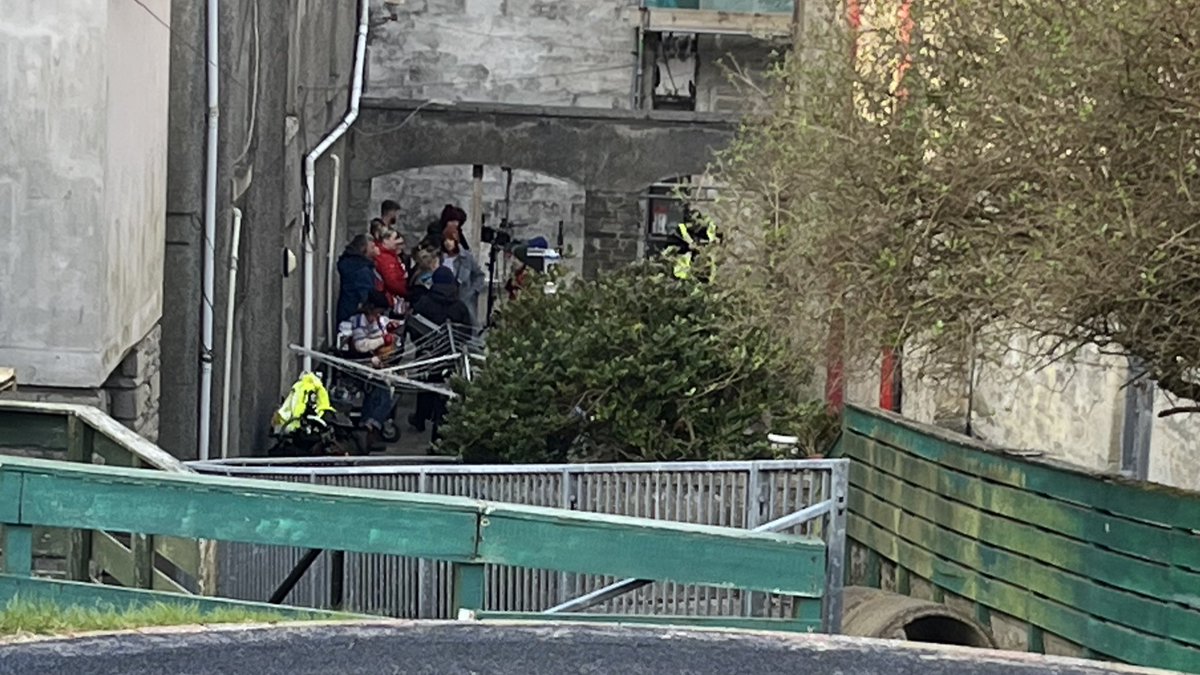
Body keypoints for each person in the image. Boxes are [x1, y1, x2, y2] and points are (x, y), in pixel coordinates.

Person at [408, 267, 472, 440]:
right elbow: (467, 331)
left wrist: (420, 344)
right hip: (451, 356)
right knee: (446, 392)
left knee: (425, 386)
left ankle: (420, 418)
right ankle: (440, 428)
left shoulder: (424, 302)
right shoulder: (459, 306)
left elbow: (413, 325)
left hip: (427, 353)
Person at [348, 290, 401, 449]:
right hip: (361, 364)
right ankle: (369, 429)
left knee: (385, 392)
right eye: (377, 313)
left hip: (375, 365)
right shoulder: (359, 321)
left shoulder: (376, 322)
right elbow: (361, 346)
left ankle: (368, 427)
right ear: (370, 309)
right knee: (382, 395)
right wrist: (383, 340)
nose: (378, 317)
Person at [440, 224, 485, 327]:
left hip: (464, 297)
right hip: (445, 298)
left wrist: (473, 291)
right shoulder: (441, 258)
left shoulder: (466, 257)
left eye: (450, 239)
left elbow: (479, 275)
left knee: (469, 324)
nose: (448, 243)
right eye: (445, 240)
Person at [336, 234, 380, 324]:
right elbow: (366, 295)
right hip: (353, 315)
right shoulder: (360, 269)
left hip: (348, 311)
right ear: (363, 248)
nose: (375, 249)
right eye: (372, 247)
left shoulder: (350, 262)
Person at [374, 227, 407, 313]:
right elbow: (392, 281)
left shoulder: (390, 255)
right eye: (396, 238)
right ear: (385, 240)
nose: (399, 241)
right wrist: (406, 292)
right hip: (389, 298)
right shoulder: (385, 258)